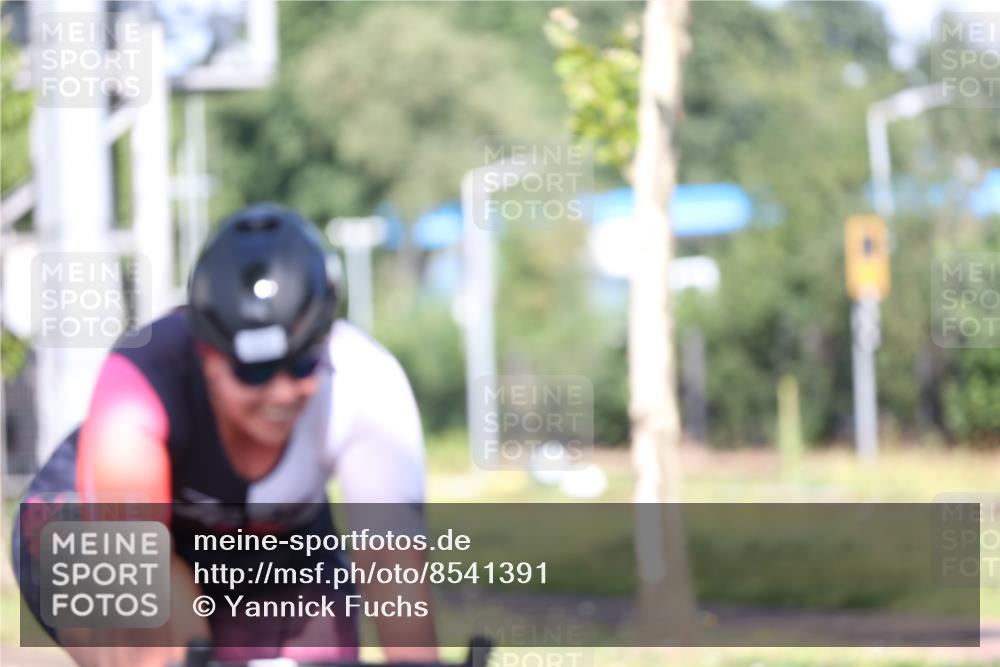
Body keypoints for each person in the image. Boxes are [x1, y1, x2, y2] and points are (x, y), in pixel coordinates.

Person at [13, 203, 438, 666]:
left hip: (268, 540)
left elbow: (396, 579)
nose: (280, 394)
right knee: (159, 644)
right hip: (108, 529)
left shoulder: (365, 380)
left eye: (301, 366)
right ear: (207, 355)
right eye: (253, 373)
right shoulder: (142, 380)